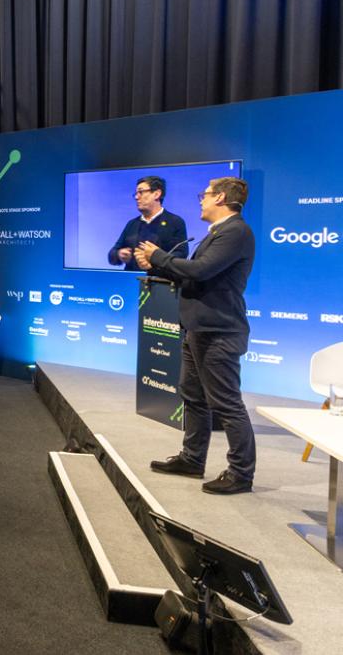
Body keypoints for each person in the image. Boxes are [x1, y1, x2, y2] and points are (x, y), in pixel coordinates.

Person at [137, 177, 257, 494]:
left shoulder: (235, 232)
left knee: (227, 404)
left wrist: (159, 256)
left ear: (220, 198)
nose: (200, 200)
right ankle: (192, 459)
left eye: (204, 195)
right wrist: (156, 265)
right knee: (193, 396)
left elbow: (201, 270)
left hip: (219, 332)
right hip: (197, 329)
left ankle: (241, 473)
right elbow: (194, 277)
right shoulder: (216, 233)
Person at [109, 175, 189, 270]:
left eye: (141, 192)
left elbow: (181, 254)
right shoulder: (132, 224)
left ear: (157, 194)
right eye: (136, 193)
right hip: (132, 281)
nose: (136, 197)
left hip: (161, 280)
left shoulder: (175, 222)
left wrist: (156, 260)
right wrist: (119, 254)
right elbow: (112, 254)